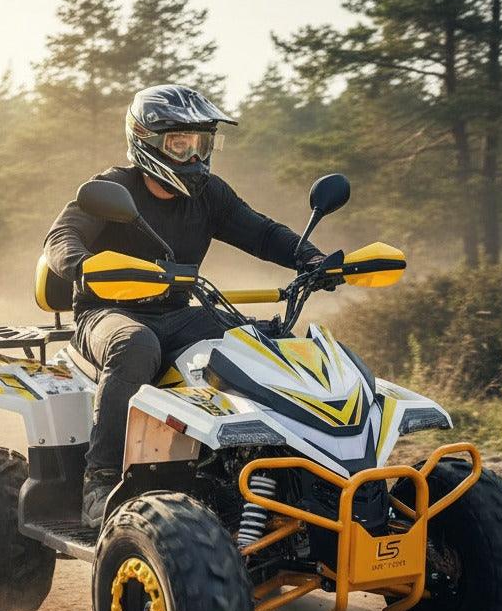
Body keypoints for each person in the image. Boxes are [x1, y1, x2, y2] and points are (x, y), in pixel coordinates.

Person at [44, 83, 325, 528]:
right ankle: (99, 482)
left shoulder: (209, 194)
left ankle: (277, 479)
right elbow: (60, 238)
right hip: (108, 314)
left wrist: (312, 259)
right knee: (135, 346)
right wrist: (81, 266)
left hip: (177, 312)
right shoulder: (111, 188)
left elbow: (264, 233)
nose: (194, 156)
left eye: (201, 144)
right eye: (180, 143)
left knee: (261, 342)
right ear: (147, 139)